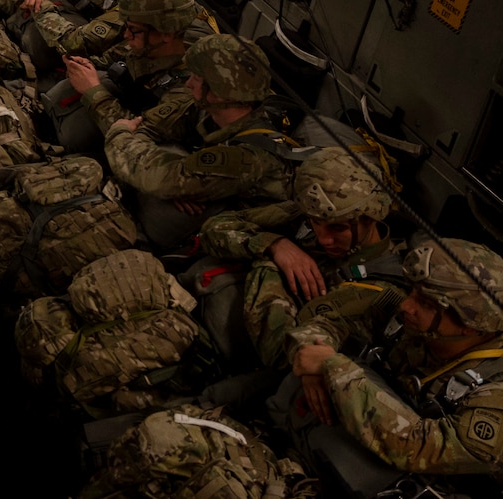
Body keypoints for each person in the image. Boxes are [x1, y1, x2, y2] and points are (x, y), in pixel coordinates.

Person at [291, 237, 503, 482]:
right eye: (412, 291)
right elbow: (326, 321)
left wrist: (334, 368)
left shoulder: (495, 390)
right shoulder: (405, 316)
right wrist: (311, 363)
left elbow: (417, 448)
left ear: (472, 327)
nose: (406, 305)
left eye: (425, 303)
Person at [75, 33, 302, 249]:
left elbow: (155, 175)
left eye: (196, 78)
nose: (188, 84)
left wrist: (120, 133)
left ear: (219, 92)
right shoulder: (208, 110)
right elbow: (147, 128)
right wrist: (178, 180)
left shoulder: (246, 158)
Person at [201, 146, 405, 370]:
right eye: (316, 224)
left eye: (338, 228)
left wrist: (270, 271)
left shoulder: (381, 287)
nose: (324, 239)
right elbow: (214, 227)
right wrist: (275, 245)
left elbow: (286, 355)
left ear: (370, 218)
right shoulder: (313, 213)